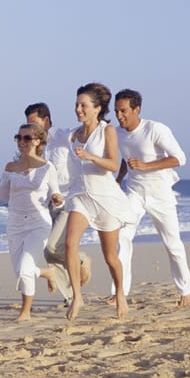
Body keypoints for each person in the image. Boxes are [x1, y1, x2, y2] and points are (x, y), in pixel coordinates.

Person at [112, 88, 190, 306]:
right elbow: (125, 158)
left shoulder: (155, 129)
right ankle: (120, 291)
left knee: (172, 243)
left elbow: (180, 158)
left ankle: (185, 292)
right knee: (122, 237)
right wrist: (118, 180)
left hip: (160, 194)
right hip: (135, 192)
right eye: (116, 111)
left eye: (123, 111)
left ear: (137, 109)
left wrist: (146, 166)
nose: (119, 116)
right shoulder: (118, 134)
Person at [64, 82, 132, 320]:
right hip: (80, 197)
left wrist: (90, 156)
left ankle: (120, 293)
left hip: (104, 199)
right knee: (69, 245)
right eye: (76, 105)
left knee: (110, 257)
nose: (78, 109)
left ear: (97, 108)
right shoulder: (73, 134)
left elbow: (113, 165)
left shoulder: (107, 131)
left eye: (83, 105)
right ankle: (77, 296)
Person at [0, 123, 60, 322]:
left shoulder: (47, 167)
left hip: (38, 224)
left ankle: (25, 312)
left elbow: (56, 192)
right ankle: (47, 273)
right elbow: (6, 196)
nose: (22, 142)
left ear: (37, 141)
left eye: (27, 138)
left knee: (25, 269)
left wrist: (58, 199)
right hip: (15, 224)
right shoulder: (11, 167)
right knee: (20, 270)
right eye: (19, 137)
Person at [24, 103, 92, 306]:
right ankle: (71, 297)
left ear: (46, 120)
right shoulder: (33, 147)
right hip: (47, 205)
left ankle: (80, 260)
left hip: (69, 201)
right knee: (49, 251)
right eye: (28, 125)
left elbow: (82, 133)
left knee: (53, 247)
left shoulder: (62, 137)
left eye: (35, 124)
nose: (31, 129)